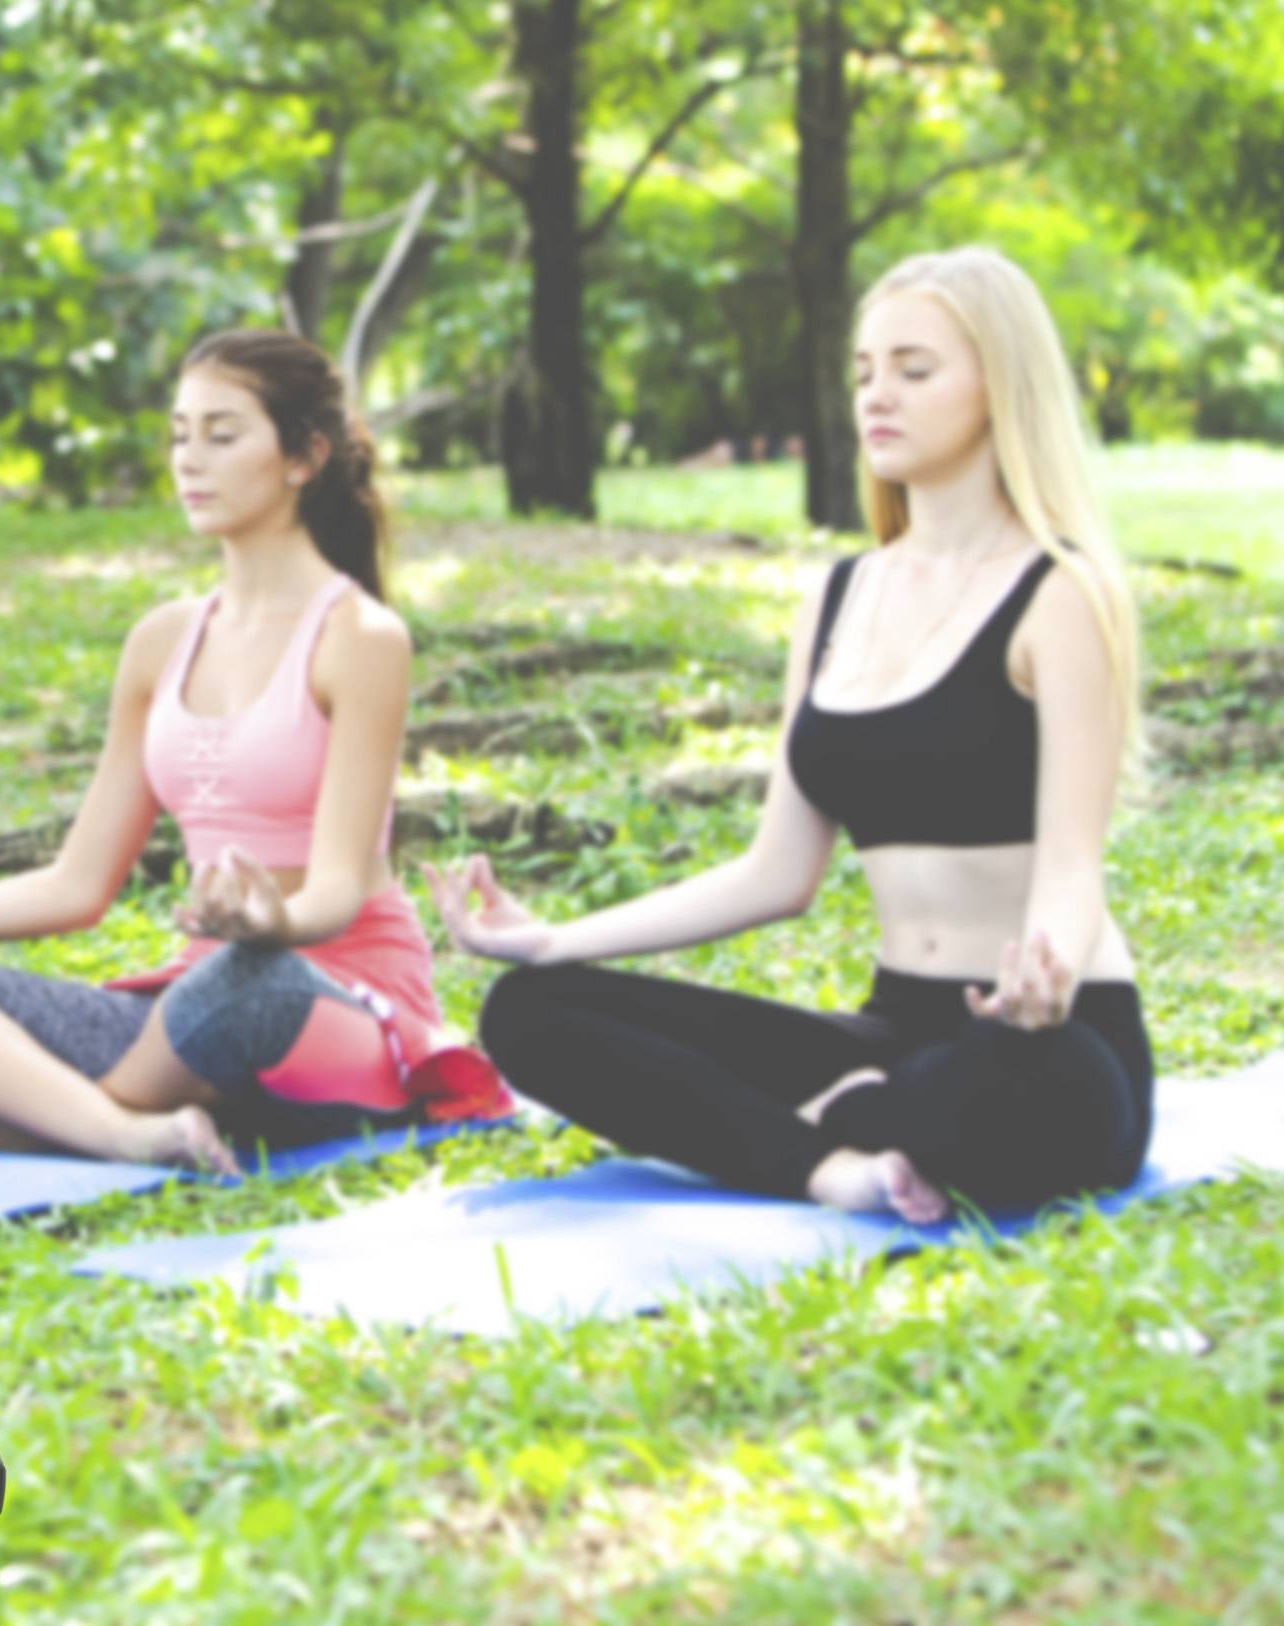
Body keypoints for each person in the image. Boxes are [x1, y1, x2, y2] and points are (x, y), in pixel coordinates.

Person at [436, 245, 1152, 1224]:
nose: (876, 397)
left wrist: (1046, 970)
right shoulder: (836, 598)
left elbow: (1072, 864)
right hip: (895, 1028)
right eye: (862, 373)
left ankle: (832, 1118)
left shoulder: (1059, 592)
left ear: (997, 384)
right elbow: (775, 874)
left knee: (1018, 1092)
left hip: (1041, 1034)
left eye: (912, 369)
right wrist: (552, 938)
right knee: (529, 1012)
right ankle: (833, 1165)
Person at [0, 330, 509, 1174]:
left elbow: (337, 887)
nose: (189, 460)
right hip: (184, 1024)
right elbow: (77, 884)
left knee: (249, 983)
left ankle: (44, 1116)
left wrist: (273, 923)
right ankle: (127, 1131)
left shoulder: (361, 637)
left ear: (304, 456)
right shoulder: (160, 642)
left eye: (222, 434)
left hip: (329, 1015)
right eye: (179, 435)